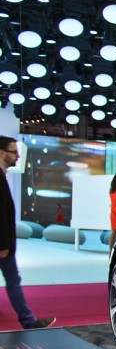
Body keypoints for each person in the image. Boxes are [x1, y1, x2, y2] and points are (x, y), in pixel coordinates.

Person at [0, 136, 55, 330]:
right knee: (13, 280)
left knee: (13, 280)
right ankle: (28, 320)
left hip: (5, 243)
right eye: (13, 152)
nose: (17, 156)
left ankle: (28, 319)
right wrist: (4, 244)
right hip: (3, 244)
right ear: (1, 153)